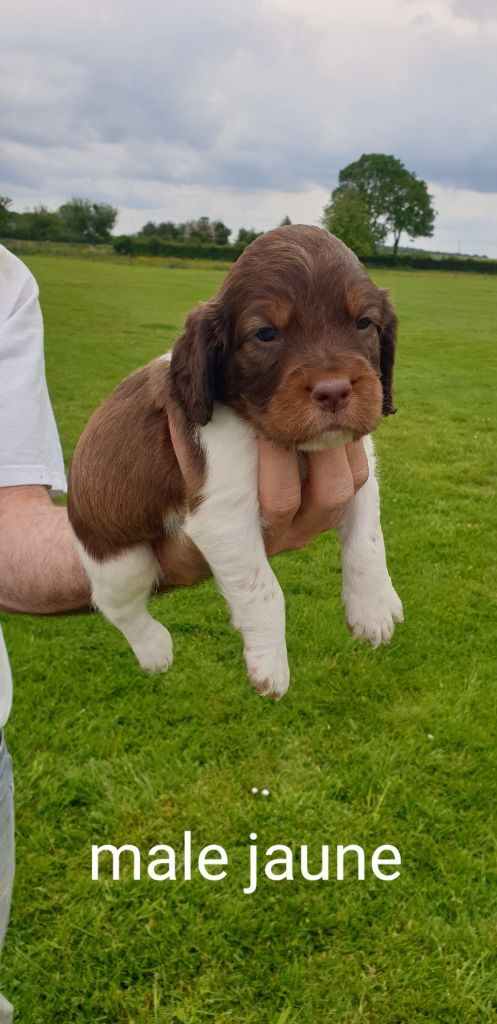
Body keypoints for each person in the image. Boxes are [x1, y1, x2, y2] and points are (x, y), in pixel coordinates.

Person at [0, 244, 368, 1018]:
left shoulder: (4, 284)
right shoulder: (209, 390)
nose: (329, 372)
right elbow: (216, 513)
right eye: (266, 335)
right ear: (212, 353)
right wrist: (258, 622)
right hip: (117, 535)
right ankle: (128, 618)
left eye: (363, 327)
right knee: (124, 582)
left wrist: (365, 569)